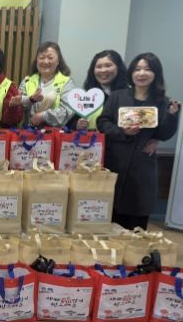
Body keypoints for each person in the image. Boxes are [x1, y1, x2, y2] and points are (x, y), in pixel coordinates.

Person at [97, 52, 180, 230]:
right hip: (115, 162)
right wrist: (122, 131)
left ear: (156, 74)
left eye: (147, 69)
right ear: (131, 73)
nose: (142, 73)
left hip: (142, 166)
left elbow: (164, 134)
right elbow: (102, 123)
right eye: (137, 69)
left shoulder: (162, 102)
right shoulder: (117, 96)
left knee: (137, 222)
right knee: (109, 217)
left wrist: (172, 116)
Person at [14, 41, 77, 127]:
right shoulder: (27, 81)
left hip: (55, 133)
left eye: (50, 58)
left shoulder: (67, 83)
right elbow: (19, 108)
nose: (46, 61)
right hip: (27, 132)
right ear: (37, 60)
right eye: (42, 57)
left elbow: (67, 111)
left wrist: (43, 116)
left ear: (58, 61)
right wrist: (30, 99)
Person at [70, 50, 129, 131]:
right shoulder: (88, 96)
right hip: (93, 138)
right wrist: (77, 124)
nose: (103, 70)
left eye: (108, 65)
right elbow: (71, 122)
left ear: (118, 67)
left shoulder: (128, 94)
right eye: (99, 67)